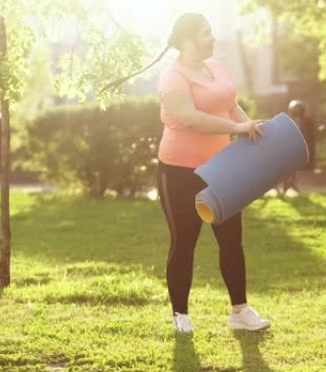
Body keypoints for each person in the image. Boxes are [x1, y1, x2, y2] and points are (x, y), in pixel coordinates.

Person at [101, 13, 271, 334]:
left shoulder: (216, 68)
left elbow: (231, 106)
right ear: (188, 40)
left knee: (232, 240)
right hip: (180, 171)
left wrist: (249, 129)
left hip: (221, 170)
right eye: (207, 33)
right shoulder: (172, 78)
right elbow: (190, 118)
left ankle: (240, 311)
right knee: (184, 242)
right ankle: (181, 314)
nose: (213, 38)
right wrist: (236, 128)